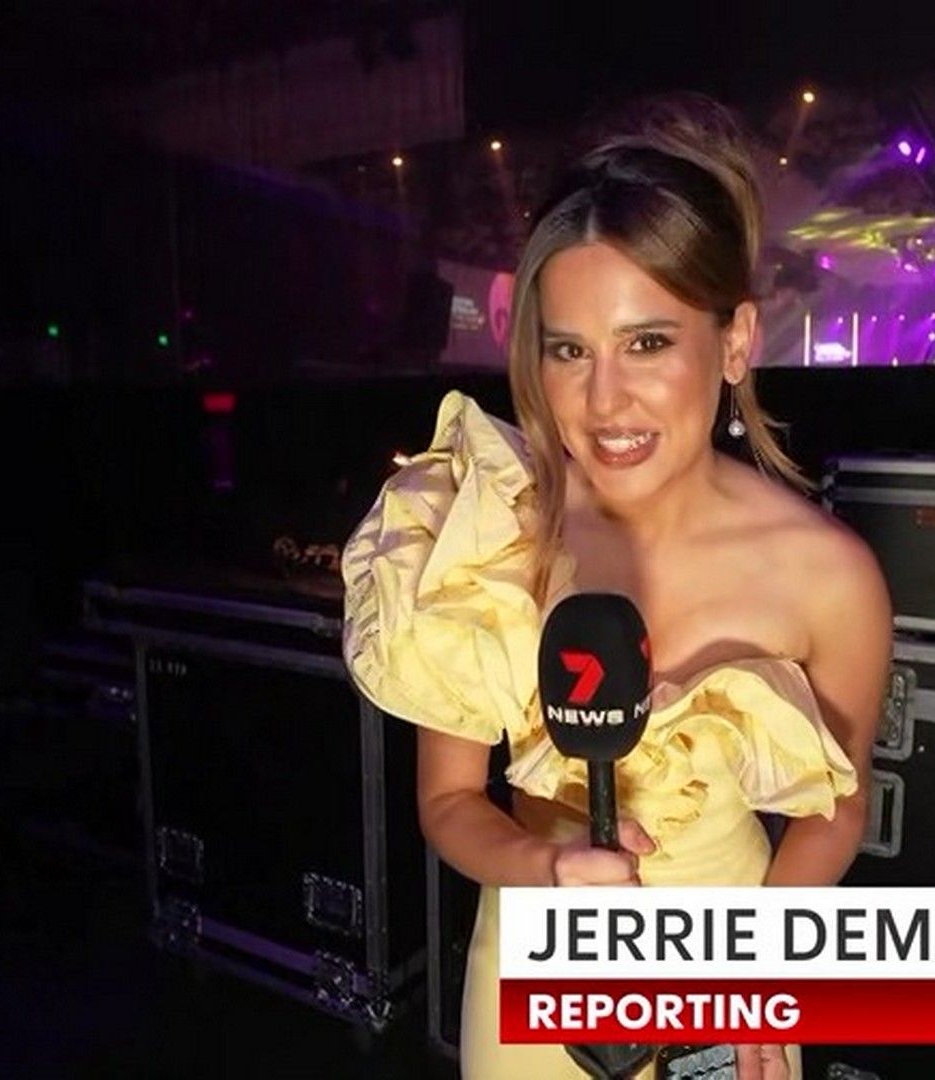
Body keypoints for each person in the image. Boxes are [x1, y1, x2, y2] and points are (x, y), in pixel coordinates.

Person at [341, 93, 891, 1079]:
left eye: (648, 343)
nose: (604, 401)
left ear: (734, 341)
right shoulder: (488, 535)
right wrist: (545, 868)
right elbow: (450, 801)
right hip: (532, 969)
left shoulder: (830, 576)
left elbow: (836, 809)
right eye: (570, 351)